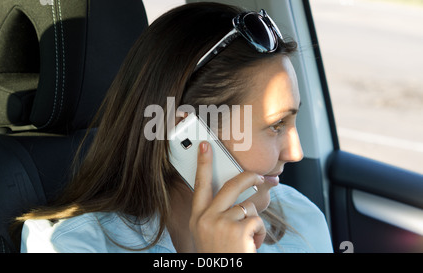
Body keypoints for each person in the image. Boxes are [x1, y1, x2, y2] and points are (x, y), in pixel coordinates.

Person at [17, 2, 333, 253]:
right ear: (188, 134)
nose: (296, 152)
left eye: (293, 121)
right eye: (276, 125)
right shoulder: (68, 244)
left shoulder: (298, 220)